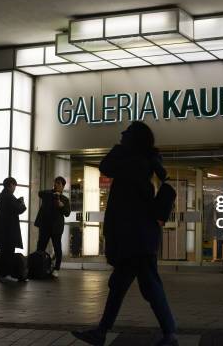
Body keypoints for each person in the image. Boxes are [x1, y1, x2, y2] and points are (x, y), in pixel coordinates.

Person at [72, 121, 178, 346]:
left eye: (127, 132)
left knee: (142, 286)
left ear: (134, 139)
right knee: (126, 287)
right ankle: (102, 332)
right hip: (141, 238)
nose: (122, 134)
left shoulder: (133, 163)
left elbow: (105, 166)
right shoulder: (146, 162)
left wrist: (120, 149)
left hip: (135, 240)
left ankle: (169, 333)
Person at [34, 176, 71, 277]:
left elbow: (67, 213)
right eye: (55, 183)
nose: (56, 185)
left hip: (56, 227)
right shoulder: (47, 194)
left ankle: (56, 269)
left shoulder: (65, 199)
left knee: (57, 248)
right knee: (40, 247)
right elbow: (40, 193)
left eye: (59, 183)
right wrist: (53, 194)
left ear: (63, 186)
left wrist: (61, 205)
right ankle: (37, 267)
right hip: (45, 226)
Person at [0, 177, 27, 283]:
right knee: (8, 253)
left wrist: (17, 201)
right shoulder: (8, 196)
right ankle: (5, 274)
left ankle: (2, 274)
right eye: (14, 186)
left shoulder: (2, 195)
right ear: (11, 185)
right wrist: (21, 203)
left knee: (3, 252)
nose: (14, 188)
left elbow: (10, 208)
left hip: (3, 231)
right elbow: (18, 209)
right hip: (8, 232)